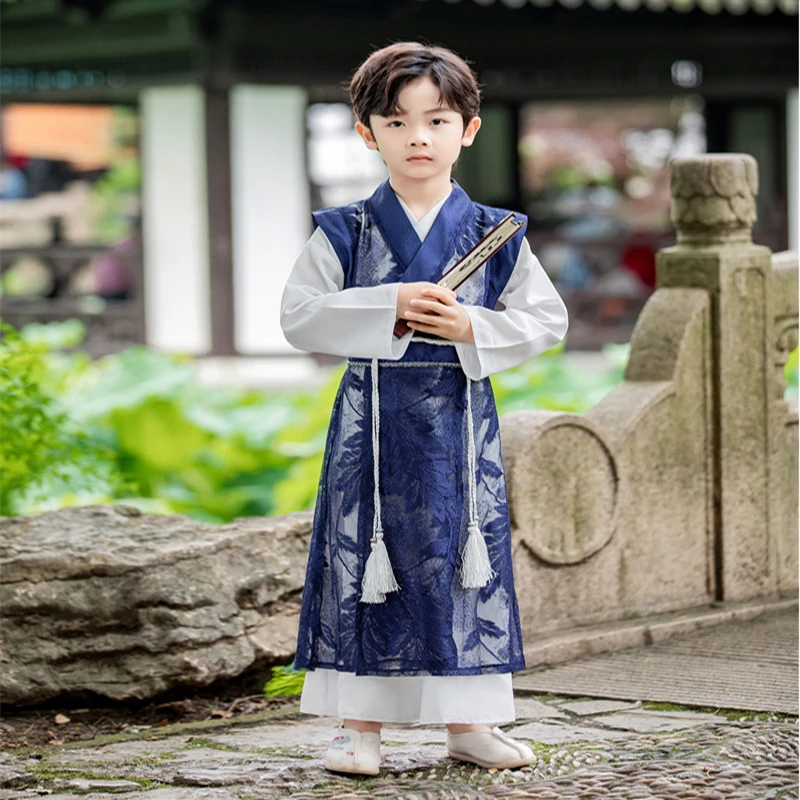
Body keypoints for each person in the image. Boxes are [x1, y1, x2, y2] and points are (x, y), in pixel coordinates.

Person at [280, 42, 568, 777]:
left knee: (462, 565)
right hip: (371, 423)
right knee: (365, 562)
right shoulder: (345, 230)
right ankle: (360, 726)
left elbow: (547, 319)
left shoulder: (497, 232)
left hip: (459, 423)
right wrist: (389, 303)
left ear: (467, 129)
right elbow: (300, 317)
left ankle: (470, 724)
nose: (417, 138)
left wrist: (475, 327)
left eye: (437, 120)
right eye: (397, 121)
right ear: (366, 133)